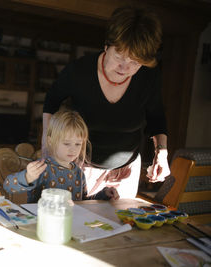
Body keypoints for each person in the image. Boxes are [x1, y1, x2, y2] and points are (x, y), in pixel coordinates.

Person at [41, 6, 170, 199]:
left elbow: (156, 116)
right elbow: (51, 102)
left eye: (135, 62)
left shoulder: (148, 77)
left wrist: (162, 153)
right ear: (107, 45)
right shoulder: (79, 71)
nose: (125, 67)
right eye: (119, 57)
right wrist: (47, 143)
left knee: (122, 227)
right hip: (81, 168)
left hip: (126, 170)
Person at [3, 110, 119, 202]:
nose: (73, 149)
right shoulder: (42, 168)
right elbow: (8, 186)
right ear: (50, 141)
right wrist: (27, 177)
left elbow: (83, 203)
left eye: (78, 144)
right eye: (66, 143)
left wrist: (103, 195)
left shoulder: (79, 173)